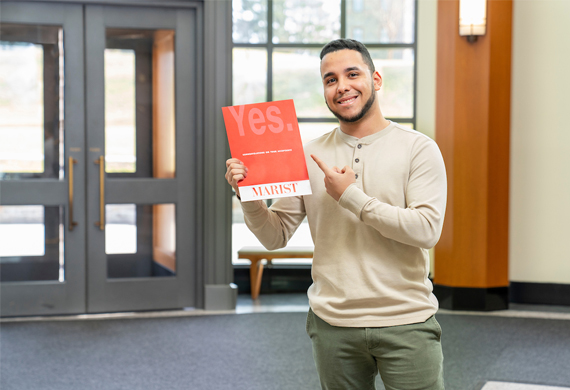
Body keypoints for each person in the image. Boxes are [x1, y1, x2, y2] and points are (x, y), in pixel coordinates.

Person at [225, 39, 447, 390]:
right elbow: (275, 236)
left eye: (352, 74)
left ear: (375, 80)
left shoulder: (418, 148)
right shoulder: (308, 155)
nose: (341, 86)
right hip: (333, 324)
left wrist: (351, 197)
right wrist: (249, 197)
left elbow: (426, 230)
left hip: (407, 321)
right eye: (330, 79)